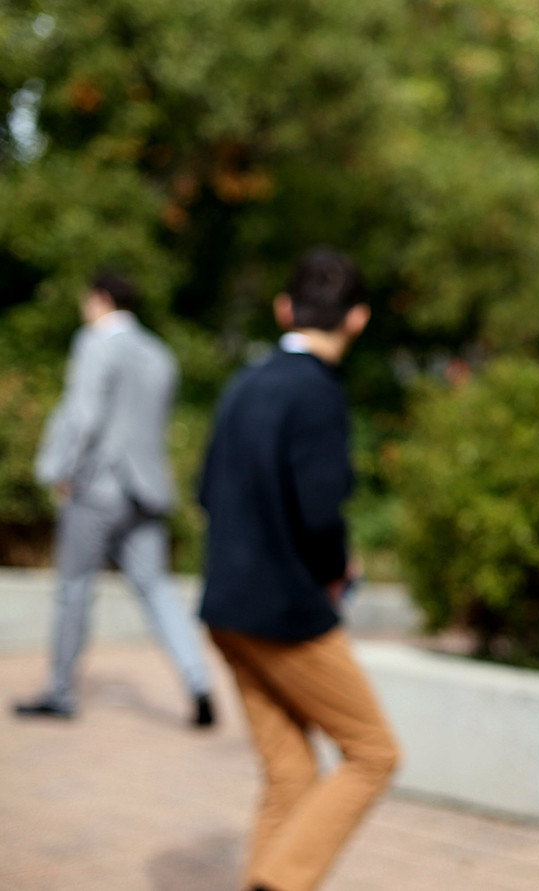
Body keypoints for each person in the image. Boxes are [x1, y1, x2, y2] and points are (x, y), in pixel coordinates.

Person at [198, 249, 399, 891]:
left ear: (284, 309)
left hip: (225, 607)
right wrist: (337, 565)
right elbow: (318, 513)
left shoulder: (245, 382)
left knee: (291, 774)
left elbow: (205, 490)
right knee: (373, 753)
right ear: (358, 319)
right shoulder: (318, 392)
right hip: (284, 613)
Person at [14, 271, 214, 726]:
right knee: (157, 587)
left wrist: (58, 471)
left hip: (99, 487)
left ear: (100, 299)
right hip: (146, 490)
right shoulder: (159, 354)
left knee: (75, 588)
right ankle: (198, 680)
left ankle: (60, 692)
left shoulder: (96, 343)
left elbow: (83, 415)